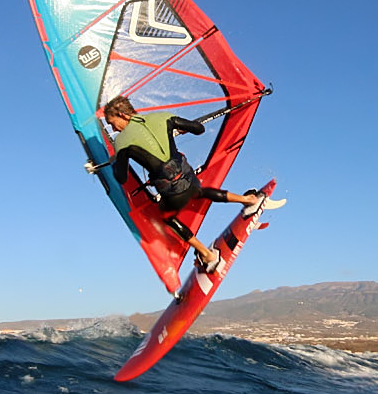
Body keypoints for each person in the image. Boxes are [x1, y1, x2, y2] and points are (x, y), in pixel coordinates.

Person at [101, 95, 276, 273]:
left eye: (111, 122)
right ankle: (248, 200)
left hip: (172, 194)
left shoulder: (122, 142)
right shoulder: (162, 116)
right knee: (199, 192)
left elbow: (121, 178)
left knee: (167, 218)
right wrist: (182, 129)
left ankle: (206, 254)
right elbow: (198, 128)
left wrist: (116, 161)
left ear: (122, 114)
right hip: (189, 177)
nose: (113, 128)